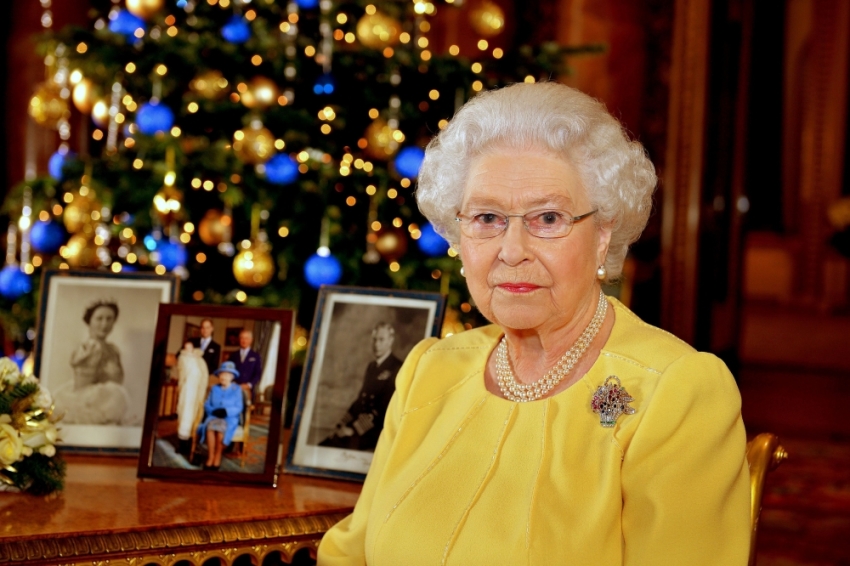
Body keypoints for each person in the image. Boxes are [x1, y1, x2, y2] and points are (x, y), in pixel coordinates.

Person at [317, 82, 750, 565]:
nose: (512, 250)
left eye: (547, 218)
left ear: (602, 235)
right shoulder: (428, 371)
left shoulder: (675, 393)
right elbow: (349, 553)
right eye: (487, 218)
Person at [320, 322, 403, 451]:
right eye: (374, 339)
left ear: (390, 341)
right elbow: (360, 401)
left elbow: (384, 408)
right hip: (361, 428)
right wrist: (342, 423)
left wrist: (353, 430)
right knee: (326, 444)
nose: (376, 344)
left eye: (381, 340)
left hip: (377, 431)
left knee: (334, 446)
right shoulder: (372, 367)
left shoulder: (397, 367)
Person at [56, 299, 131, 425]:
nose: (104, 324)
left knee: (118, 395)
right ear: (89, 321)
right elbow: (81, 385)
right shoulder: (87, 348)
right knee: (117, 395)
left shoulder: (113, 349)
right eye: (99, 318)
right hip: (86, 400)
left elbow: (118, 380)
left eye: (109, 319)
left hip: (107, 398)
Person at [196, 360, 244, 470]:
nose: (223, 377)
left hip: (229, 417)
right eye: (222, 374)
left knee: (220, 429)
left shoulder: (237, 389)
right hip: (214, 416)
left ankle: (217, 456)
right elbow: (207, 404)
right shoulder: (214, 388)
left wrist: (226, 411)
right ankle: (211, 457)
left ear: (232, 377)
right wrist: (213, 411)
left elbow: (239, 407)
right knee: (210, 427)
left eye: (227, 374)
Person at [174, 341, 209, 456]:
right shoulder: (182, 358)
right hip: (187, 391)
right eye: (186, 347)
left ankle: (190, 444)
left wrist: (201, 388)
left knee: (194, 417)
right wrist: (181, 387)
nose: (188, 349)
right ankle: (181, 444)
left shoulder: (200, 359)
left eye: (190, 347)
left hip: (197, 391)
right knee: (184, 416)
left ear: (193, 347)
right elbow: (181, 373)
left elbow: (204, 375)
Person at [227, 329, 263, 395]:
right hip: (234, 388)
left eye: (246, 338)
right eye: (242, 338)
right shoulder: (233, 355)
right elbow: (228, 371)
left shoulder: (256, 356)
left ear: (251, 340)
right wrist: (233, 383)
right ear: (239, 340)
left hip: (248, 390)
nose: (244, 341)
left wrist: (249, 385)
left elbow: (258, 374)